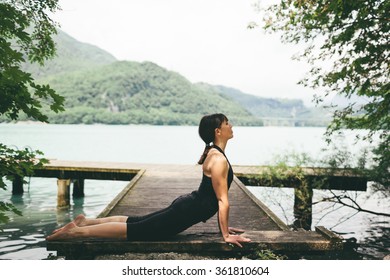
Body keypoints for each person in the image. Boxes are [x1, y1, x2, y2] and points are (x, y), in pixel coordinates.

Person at [46, 113, 251, 247]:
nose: (231, 125)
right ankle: (77, 232)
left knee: (137, 222)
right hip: (187, 210)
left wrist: (223, 226)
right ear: (218, 131)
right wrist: (225, 235)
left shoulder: (214, 155)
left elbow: (212, 196)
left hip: (187, 206)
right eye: (227, 123)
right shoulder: (218, 159)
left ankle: (85, 222)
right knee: (135, 230)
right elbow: (222, 200)